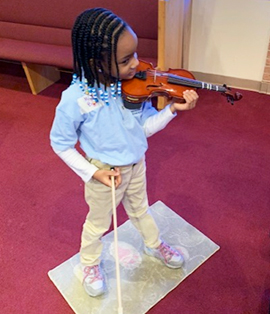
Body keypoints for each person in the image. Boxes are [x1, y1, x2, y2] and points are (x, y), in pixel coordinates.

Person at [50, 8, 198, 297]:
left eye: (135, 54)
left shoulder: (131, 88)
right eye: (125, 60)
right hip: (106, 173)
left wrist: (171, 110)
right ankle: (90, 263)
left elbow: (142, 129)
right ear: (97, 62)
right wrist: (94, 172)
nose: (137, 65)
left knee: (140, 209)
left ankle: (153, 245)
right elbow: (61, 144)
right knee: (98, 223)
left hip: (136, 163)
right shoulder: (74, 100)